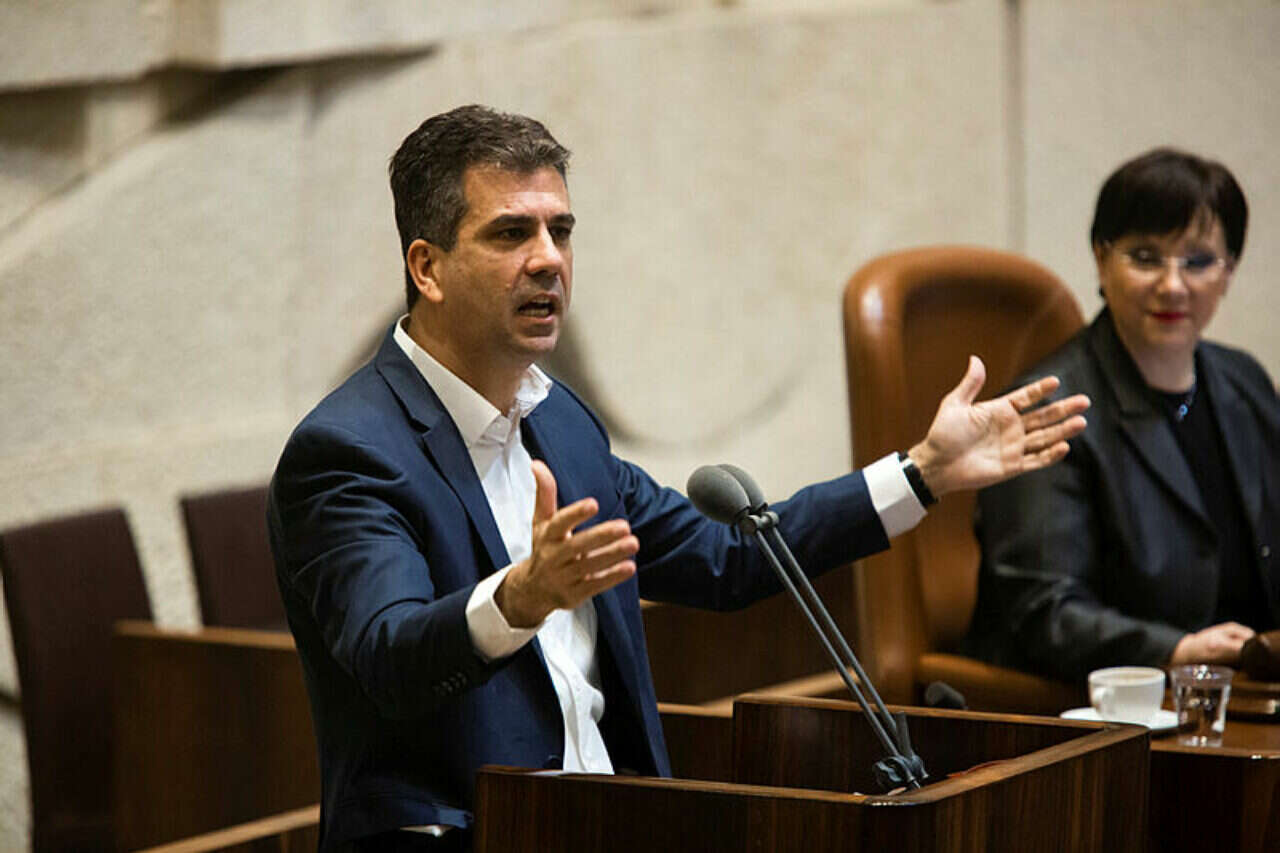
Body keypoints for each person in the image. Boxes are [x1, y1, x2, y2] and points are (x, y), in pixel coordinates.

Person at [267, 104, 1089, 852]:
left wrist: (922, 472)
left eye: (561, 230)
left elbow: (730, 556)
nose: (549, 260)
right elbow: (388, 655)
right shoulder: (350, 451)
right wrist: (517, 599)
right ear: (428, 267)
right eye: (511, 233)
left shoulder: (562, 423)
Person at [966, 148, 1280, 684]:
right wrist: (1176, 649)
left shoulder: (1244, 382)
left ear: (1229, 271)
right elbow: (1043, 613)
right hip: (1113, 706)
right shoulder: (1051, 409)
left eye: (1198, 261)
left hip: (1249, 690)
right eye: (1146, 257)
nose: (1173, 285)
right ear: (1101, 259)